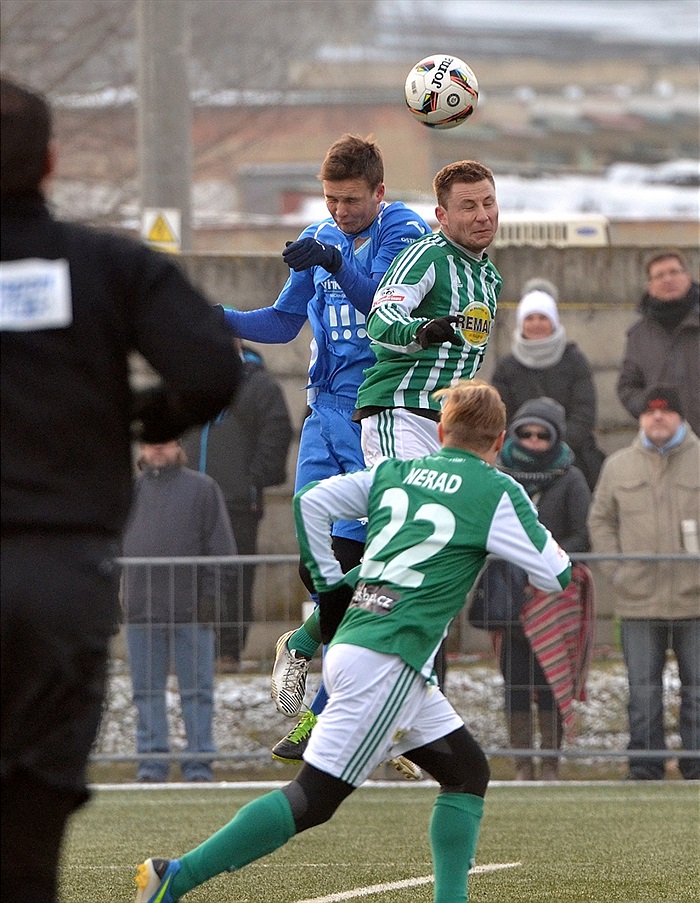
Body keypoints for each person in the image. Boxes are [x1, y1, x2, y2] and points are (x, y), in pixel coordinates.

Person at [133, 380, 572, 903]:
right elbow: (554, 575)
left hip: (369, 649)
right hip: (388, 660)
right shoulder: (496, 489)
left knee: (467, 770)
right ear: (499, 441)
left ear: (440, 431)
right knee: (313, 799)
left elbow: (313, 503)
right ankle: (176, 876)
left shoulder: (396, 473)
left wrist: (325, 595)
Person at [0, 76, 242, 903]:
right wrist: (147, 413)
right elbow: (214, 366)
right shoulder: (106, 266)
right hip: (64, 575)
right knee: (29, 836)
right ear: (52, 162)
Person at [219, 134, 430, 760]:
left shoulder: (406, 234)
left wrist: (335, 264)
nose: (340, 211)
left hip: (381, 414)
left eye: (352, 200)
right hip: (324, 417)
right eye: (332, 199)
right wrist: (214, 314)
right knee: (323, 564)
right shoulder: (323, 236)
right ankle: (354, 706)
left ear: (381, 193)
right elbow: (283, 323)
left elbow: (387, 309)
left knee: (381, 569)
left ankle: (327, 686)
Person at [470, 397, 595, 780]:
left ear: (555, 438)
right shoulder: (498, 475)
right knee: (516, 682)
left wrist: (542, 561)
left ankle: (551, 764)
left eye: (543, 435)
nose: (534, 440)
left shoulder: (571, 478)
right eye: (526, 433)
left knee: (550, 677)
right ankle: (523, 764)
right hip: (508, 592)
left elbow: (582, 536)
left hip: (554, 596)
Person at [588, 385, 700, 781]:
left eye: (666, 412)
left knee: (699, 692)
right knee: (643, 692)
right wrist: (617, 571)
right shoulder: (618, 465)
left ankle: (696, 764)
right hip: (638, 600)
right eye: (650, 413)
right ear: (639, 418)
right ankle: (645, 765)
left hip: (695, 602)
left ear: (681, 417)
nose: (657, 418)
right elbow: (600, 520)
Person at [122, 440, 237, 782]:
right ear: (141, 449)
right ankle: (152, 763)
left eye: (164, 442)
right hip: (140, 609)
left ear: (177, 445)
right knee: (145, 692)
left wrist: (211, 598)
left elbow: (222, 549)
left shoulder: (202, 489)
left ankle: (199, 764)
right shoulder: (126, 493)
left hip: (192, 611)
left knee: (198, 691)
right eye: (150, 443)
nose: (157, 450)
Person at [180, 338, 292, 671]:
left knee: (234, 579)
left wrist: (250, 481)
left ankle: (228, 653)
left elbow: (277, 434)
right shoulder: (188, 380)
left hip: (237, 505)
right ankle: (191, 654)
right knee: (187, 579)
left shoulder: (259, 386)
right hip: (188, 502)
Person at [491, 283, 605, 491]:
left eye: (543, 318)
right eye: (530, 318)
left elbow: (584, 413)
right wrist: (525, 443)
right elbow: (499, 415)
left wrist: (552, 446)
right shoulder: (506, 368)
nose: (536, 324)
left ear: (553, 321)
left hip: (571, 460)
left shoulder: (575, 362)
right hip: (515, 463)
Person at [617, 249, 699, 436]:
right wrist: (653, 410)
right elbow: (627, 387)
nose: (668, 279)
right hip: (663, 442)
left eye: (674, 272)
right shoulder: (639, 335)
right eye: (660, 275)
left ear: (687, 276)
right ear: (650, 285)